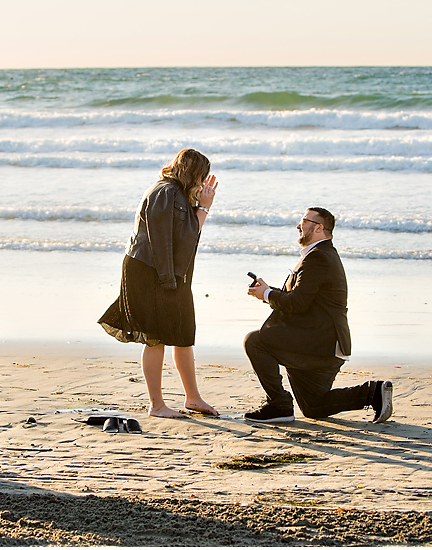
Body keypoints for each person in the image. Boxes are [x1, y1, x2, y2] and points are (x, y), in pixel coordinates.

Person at [99, 148, 219, 418]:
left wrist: (198, 206)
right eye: (201, 177)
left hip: (168, 270)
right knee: (156, 337)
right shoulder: (166, 193)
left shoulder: (174, 193)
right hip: (151, 270)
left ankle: (193, 398)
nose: (202, 184)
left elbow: (181, 236)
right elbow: (174, 239)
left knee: (183, 334)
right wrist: (204, 209)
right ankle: (157, 405)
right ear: (191, 173)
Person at [243, 207, 392, 424]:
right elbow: (302, 299)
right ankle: (372, 392)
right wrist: (268, 291)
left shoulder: (318, 258)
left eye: (304, 221)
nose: (298, 226)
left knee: (255, 341)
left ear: (319, 228)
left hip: (319, 345)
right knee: (314, 406)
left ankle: (278, 404)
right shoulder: (321, 255)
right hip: (322, 345)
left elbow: (298, 303)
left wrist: (267, 294)